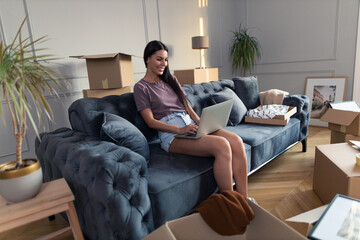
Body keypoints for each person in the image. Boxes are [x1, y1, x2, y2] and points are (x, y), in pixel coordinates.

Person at [133, 40, 248, 196]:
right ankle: (231, 204)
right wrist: (180, 129)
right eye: (159, 59)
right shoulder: (141, 87)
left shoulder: (170, 79)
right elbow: (150, 122)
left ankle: (244, 199)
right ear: (147, 59)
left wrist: (201, 122)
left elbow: (186, 105)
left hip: (190, 124)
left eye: (166, 60)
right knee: (222, 145)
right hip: (172, 135)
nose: (163, 63)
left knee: (236, 141)